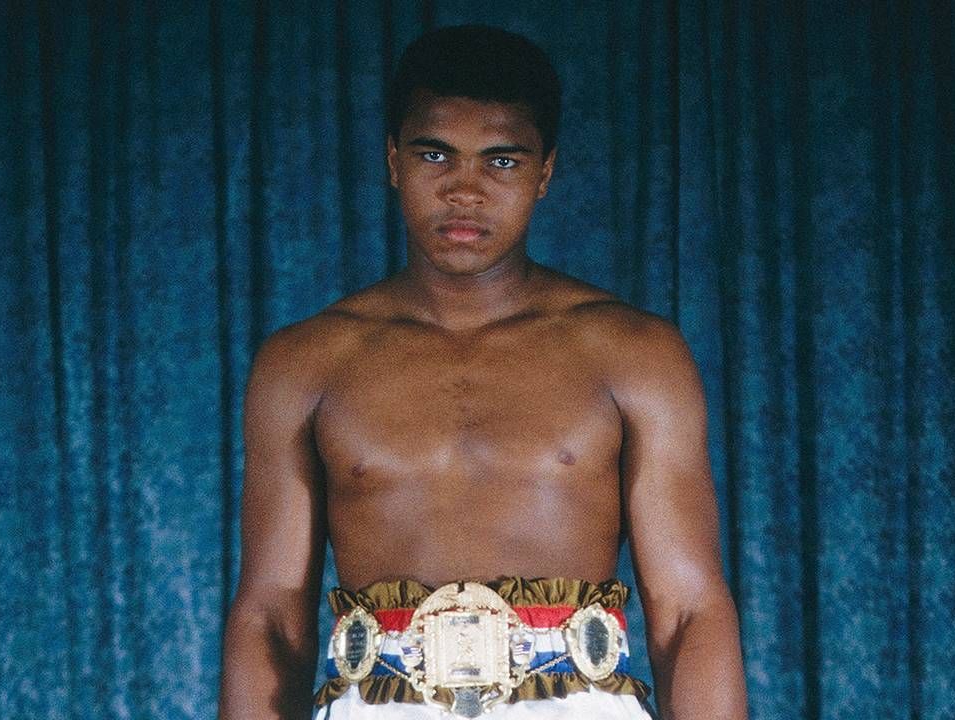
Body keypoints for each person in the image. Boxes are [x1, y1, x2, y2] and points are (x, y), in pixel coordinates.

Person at [218, 24, 748, 720]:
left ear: (545, 173)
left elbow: (689, 612)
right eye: (436, 154)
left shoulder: (632, 352)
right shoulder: (308, 362)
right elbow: (271, 618)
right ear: (393, 161)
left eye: (501, 161)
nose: (464, 190)